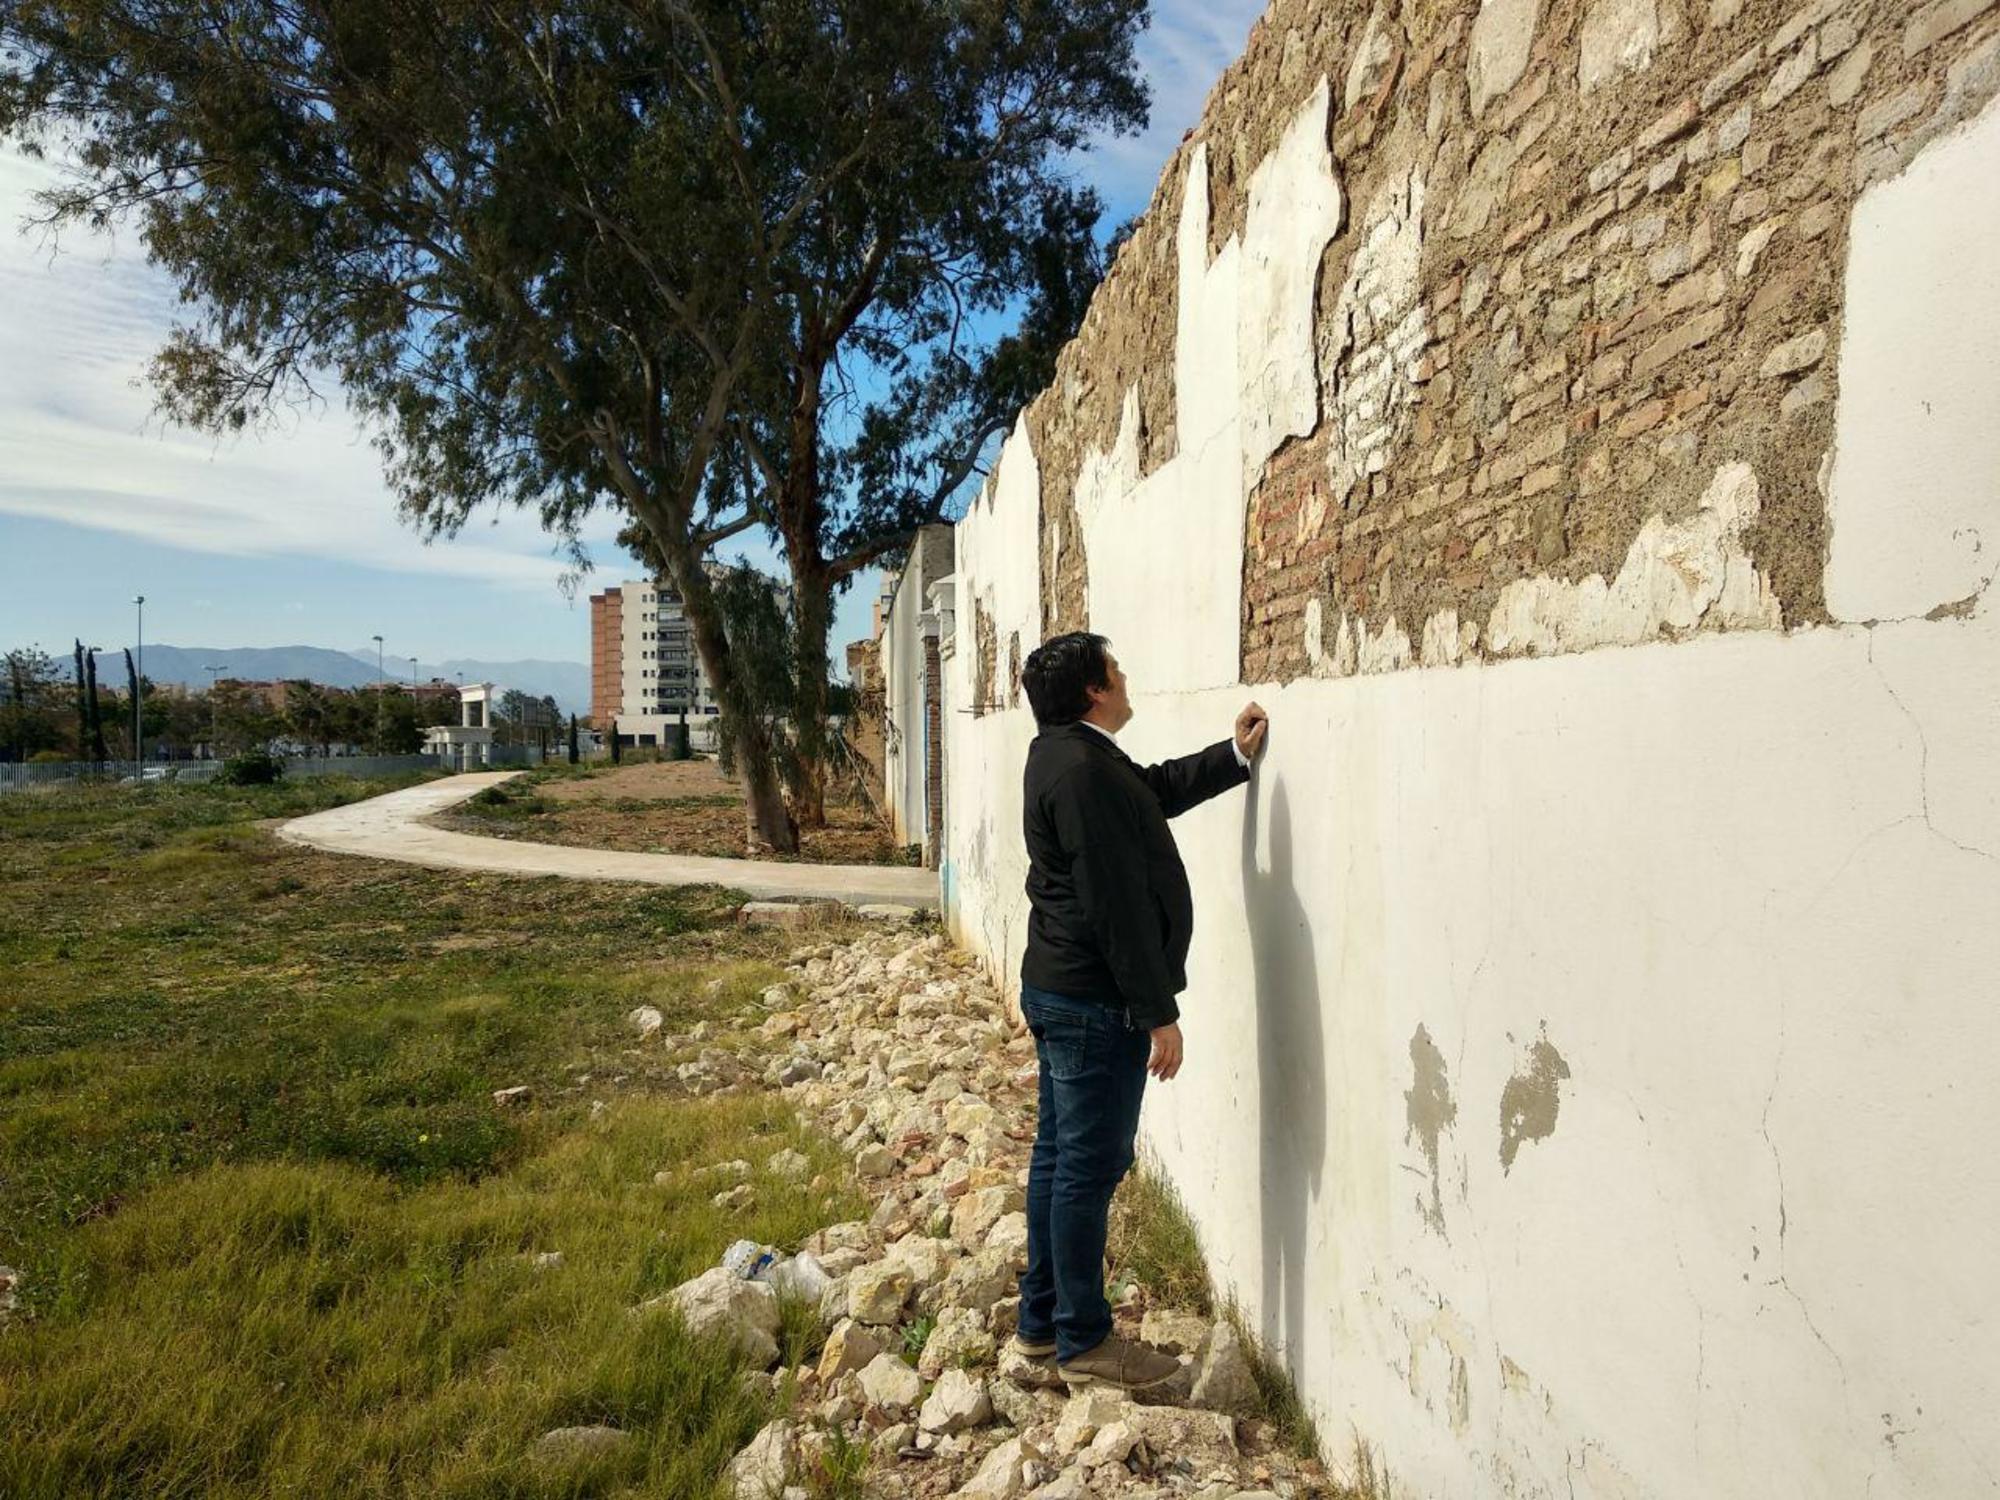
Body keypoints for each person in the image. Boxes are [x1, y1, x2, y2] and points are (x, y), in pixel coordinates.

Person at [1009, 630, 1267, 1391]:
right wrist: (1158, 1013)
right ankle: (1084, 1341)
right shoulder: (1082, 770)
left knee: (1059, 1159)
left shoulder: (1066, 753)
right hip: (1092, 1002)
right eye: (1115, 671)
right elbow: (1114, 905)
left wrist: (1232, 756)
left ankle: (1040, 1325)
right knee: (1087, 1168)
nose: (1125, 680)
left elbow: (1148, 794)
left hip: (1063, 990)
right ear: (1094, 689)